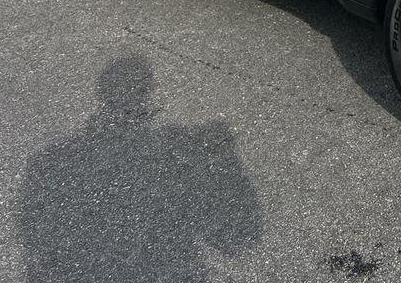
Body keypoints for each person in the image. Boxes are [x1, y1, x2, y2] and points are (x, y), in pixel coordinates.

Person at [18, 56, 262, 282]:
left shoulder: (49, 160)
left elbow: (33, 240)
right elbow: (236, 239)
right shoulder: (178, 154)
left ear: (102, 95)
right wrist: (225, 158)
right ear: (148, 97)